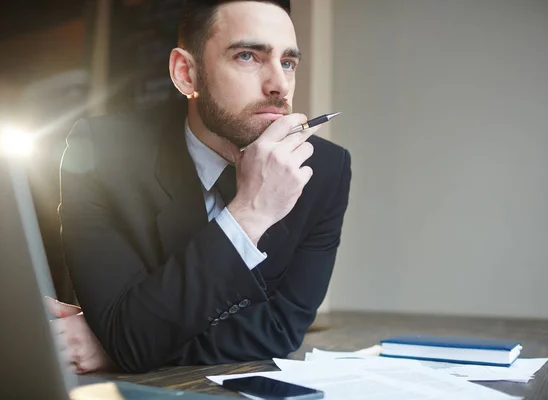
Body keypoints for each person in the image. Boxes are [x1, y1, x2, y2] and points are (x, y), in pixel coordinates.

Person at [57, 0, 352, 374]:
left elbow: (280, 332)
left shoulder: (324, 170)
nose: (279, 84)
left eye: (288, 63)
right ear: (186, 74)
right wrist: (250, 214)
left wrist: (120, 344)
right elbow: (128, 332)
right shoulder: (101, 154)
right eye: (248, 56)